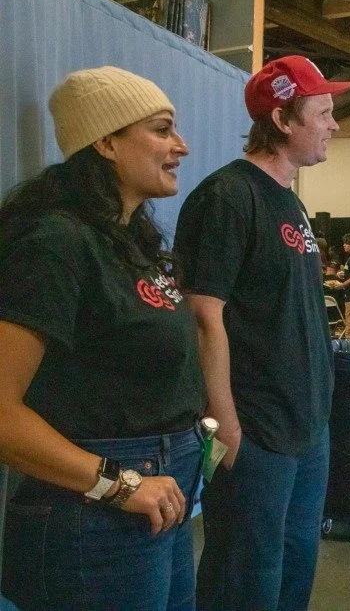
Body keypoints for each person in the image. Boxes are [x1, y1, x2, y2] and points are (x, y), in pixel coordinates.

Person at [0, 67, 203, 610]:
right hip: (95, 517)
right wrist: (121, 484)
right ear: (107, 141)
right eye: (161, 130)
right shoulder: (56, 244)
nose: (180, 146)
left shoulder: (128, 240)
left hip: (162, 495)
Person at [174, 55, 350, 611]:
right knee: (244, 576)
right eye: (322, 112)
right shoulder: (228, 197)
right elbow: (204, 315)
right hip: (255, 432)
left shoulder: (291, 202)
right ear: (282, 120)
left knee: (295, 566)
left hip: (306, 428)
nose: (334, 124)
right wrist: (225, 426)